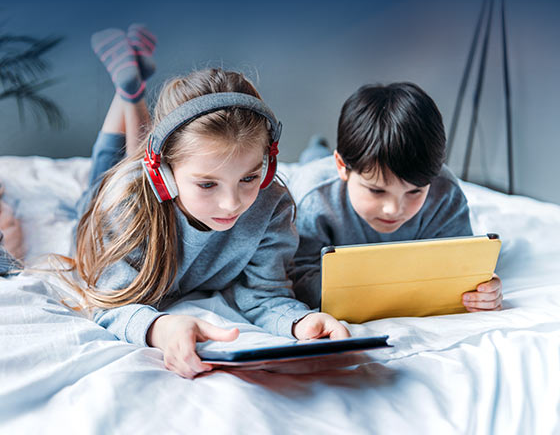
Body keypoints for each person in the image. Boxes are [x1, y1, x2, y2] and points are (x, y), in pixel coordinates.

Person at [67, 25, 349, 379]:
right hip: (111, 194)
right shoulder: (127, 202)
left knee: (134, 159)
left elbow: (265, 295)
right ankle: (129, 94)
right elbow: (110, 302)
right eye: (206, 184)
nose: (232, 203)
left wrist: (300, 321)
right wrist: (161, 328)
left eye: (249, 177)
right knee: (107, 173)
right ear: (164, 175)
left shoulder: (270, 205)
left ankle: (132, 85)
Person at [287, 82, 503, 312]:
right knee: (313, 160)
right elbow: (298, 275)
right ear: (342, 167)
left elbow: (461, 266)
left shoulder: (445, 193)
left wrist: (482, 289)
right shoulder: (312, 197)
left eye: (414, 191)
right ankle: (316, 149)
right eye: (376, 190)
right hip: (318, 172)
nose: (393, 209)